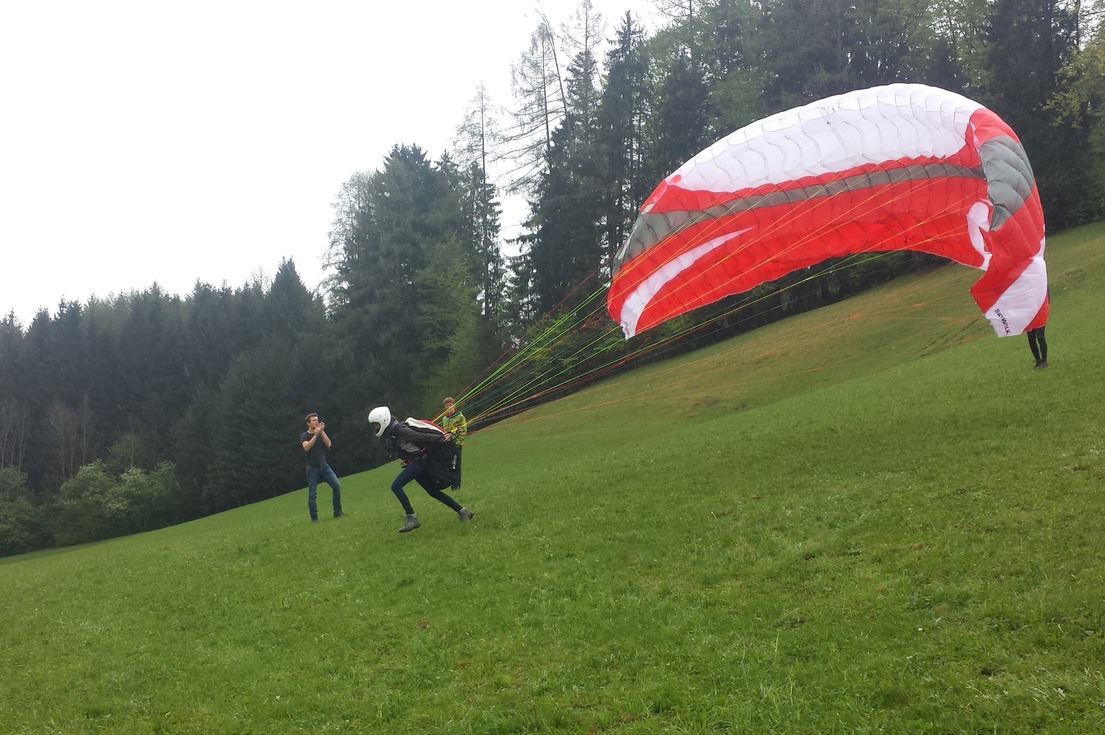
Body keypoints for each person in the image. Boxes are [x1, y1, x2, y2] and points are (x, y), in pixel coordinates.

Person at [367, 406, 474, 533]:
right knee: (433, 492)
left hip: (420, 462)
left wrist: (442, 437)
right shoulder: (391, 432)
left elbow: (421, 436)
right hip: (417, 462)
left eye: (376, 424)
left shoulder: (400, 430)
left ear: (383, 420)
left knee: (396, 486)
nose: (375, 428)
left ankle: (411, 518)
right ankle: (463, 511)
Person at [301, 412, 343, 522]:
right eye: (314, 420)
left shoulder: (321, 433)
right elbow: (306, 448)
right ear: (308, 423)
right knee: (312, 494)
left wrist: (322, 431)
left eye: (317, 419)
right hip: (312, 468)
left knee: (336, 485)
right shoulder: (304, 435)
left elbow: (329, 444)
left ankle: (337, 511)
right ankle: (314, 518)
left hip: (324, 466)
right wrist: (315, 435)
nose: (317, 421)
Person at [439, 397, 467, 492]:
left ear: (454, 406)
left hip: (456, 444)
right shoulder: (445, 419)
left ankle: (456, 485)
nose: (449, 407)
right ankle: (451, 483)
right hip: (448, 445)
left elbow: (463, 430)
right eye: (447, 406)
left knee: (456, 464)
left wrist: (457, 441)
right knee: (449, 465)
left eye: (451, 405)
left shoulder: (460, 416)